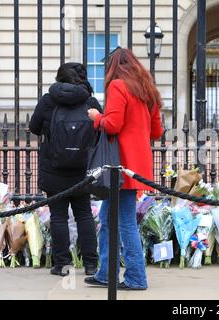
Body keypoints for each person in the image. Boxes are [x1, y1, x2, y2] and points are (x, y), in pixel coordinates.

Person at [85, 48, 163, 290]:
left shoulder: (118, 86)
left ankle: (136, 278)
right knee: (109, 218)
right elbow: (157, 132)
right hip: (136, 162)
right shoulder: (147, 89)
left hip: (121, 164)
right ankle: (105, 273)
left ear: (114, 66)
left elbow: (112, 125)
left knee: (125, 221)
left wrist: (97, 116)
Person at [29, 62, 101, 276]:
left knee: (58, 216)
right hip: (82, 169)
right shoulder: (90, 101)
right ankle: (90, 264)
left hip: (54, 167)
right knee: (84, 215)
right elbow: (100, 128)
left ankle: (61, 264)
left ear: (59, 78)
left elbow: (34, 127)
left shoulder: (48, 100)